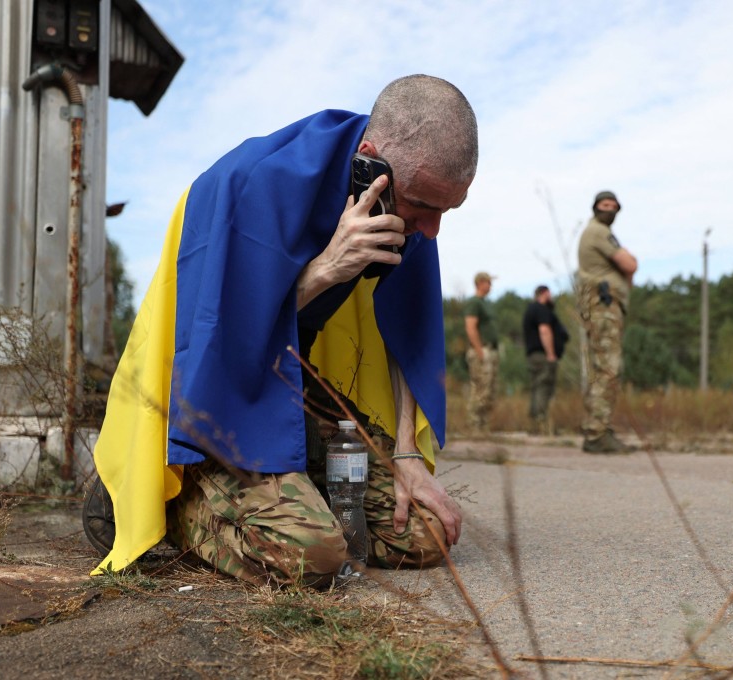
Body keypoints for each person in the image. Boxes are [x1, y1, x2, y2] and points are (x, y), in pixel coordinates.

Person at [83, 75, 477, 588]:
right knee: (310, 556)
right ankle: (164, 501)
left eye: (446, 211)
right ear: (371, 160)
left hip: (290, 376)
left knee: (425, 535)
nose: (431, 229)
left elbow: (408, 332)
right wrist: (326, 270)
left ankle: (290, 492)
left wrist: (405, 454)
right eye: (424, 207)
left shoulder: (402, 201)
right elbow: (220, 337)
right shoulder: (254, 182)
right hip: (211, 391)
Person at [576, 190, 637, 453]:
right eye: (604, 204)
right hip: (603, 307)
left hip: (604, 308)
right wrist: (629, 264)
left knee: (604, 368)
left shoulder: (598, 231)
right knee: (608, 369)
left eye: (614, 206)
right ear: (595, 208)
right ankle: (597, 433)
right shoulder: (599, 232)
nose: (609, 209)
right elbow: (630, 264)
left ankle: (598, 427)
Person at [522, 285, 569, 434]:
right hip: (543, 355)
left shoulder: (531, 309)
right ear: (544, 293)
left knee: (537, 387)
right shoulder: (541, 309)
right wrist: (550, 354)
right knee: (544, 387)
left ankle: (535, 425)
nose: (552, 296)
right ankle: (542, 425)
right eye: (550, 293)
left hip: (534, 355)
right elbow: (544, 330)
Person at [463, 272, 499, 433]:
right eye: (488, 282)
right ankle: (474, 427)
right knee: (480, 389)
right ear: (480, 283)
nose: (490, 286)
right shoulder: (474, 303)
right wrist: (479, 351)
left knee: (489, 390)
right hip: (481, 350)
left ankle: (483, 427)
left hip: (491, 350)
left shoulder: (486, 303)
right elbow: (470, 327)